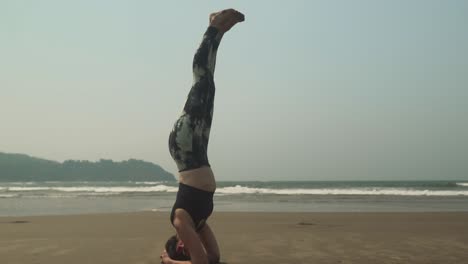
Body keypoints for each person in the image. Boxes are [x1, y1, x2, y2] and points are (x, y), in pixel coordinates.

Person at [160, 8, 245, 264]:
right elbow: (213, 258)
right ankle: (217, 32)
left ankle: (213, 28)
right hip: (198, 152)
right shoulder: (198, 224)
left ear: (178, 240)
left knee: (201, 83)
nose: (189, 247)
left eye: (182, 248)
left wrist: (169, 261)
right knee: (209, 85)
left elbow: (200, 262)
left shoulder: (180, 220)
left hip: (185, 148)